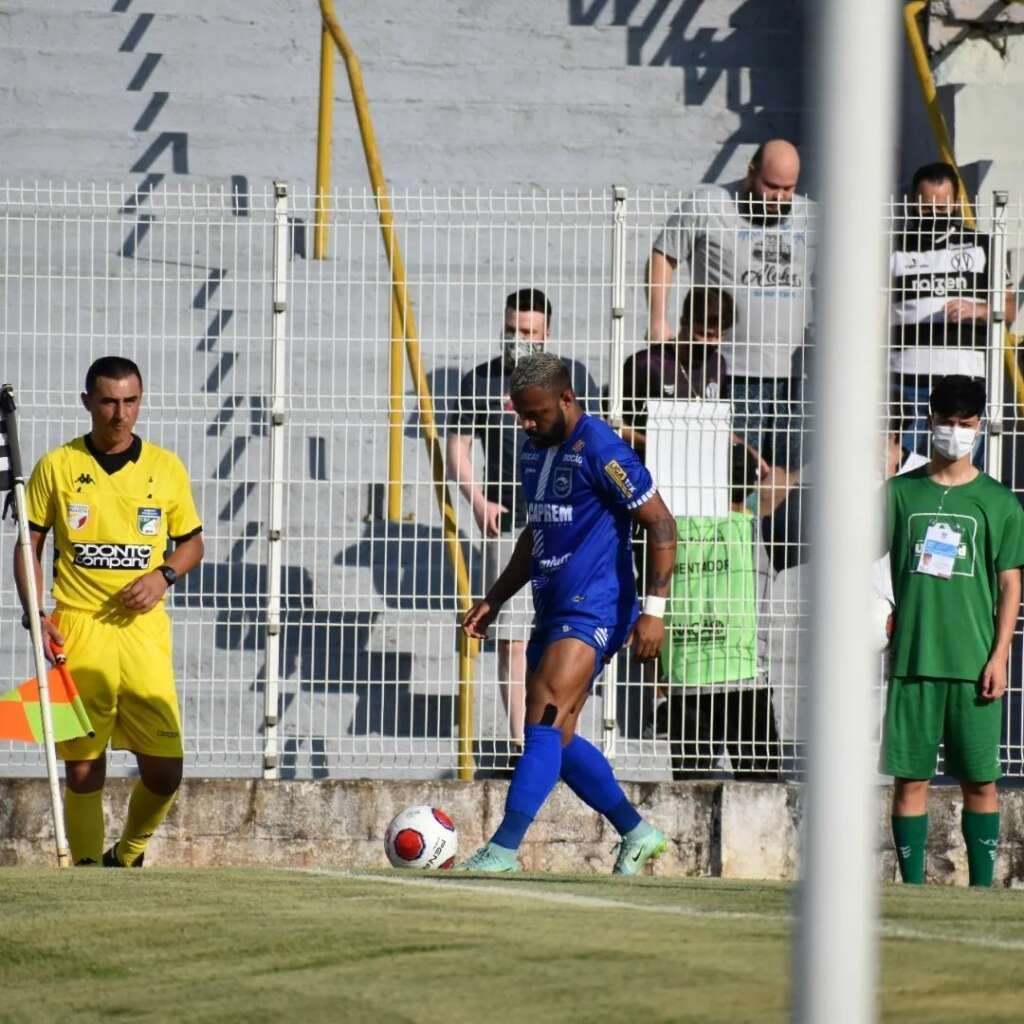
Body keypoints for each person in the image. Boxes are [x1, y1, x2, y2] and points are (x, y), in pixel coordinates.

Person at [456, 352, 678, 873]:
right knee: (561, 736)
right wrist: (494, 597)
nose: (528, 424)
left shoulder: (602, 449)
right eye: (521, 415)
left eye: (536, 414)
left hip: (596, 604)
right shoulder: (533, 450)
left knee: (541, 717)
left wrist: (654, 611)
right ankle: (637, 831)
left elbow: (661, 524)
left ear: (567, 399)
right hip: (551, 602)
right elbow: (537, 532)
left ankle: (504, 850)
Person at [13, 356, 204, 867]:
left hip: (143, 634)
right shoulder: (57, 466)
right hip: (74, 627)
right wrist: (35, 616)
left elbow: (192, 544)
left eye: (130, 401)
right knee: (80, 769)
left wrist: (162, 576)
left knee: (166, 770)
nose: (120, 414)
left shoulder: (165, 468)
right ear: (87, 403)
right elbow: (26, 544)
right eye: (109, 401)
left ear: (140, 402)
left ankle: (129, 853)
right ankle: (87, 870)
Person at [883, 374, 1024, 887]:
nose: (955, 432)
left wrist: (1000, 654)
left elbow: (1010, 584)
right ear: (930, 421)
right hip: (913, 661)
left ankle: (982, 889)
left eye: (965, 424)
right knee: (910, 781)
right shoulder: (899, 494)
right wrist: (876, 607)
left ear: (980, 426)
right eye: (946, 422)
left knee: (981, 783)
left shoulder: (1000, 502)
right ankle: (914, 889)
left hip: (974, 664)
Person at [446, 289, 598, 759]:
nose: (519, 341)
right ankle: (520, 741)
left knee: (569, 634)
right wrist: (477, 499)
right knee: (511, 637)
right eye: (512, 331)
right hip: (511, 517)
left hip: (568, 521)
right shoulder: (483, 379)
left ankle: (562, 735)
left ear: (547, 333)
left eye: (530, 333)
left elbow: (595, 438)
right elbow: (458, 447)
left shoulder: (574, 378)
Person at [645, 139, 816, 472]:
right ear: (751, 171)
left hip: (795, 374)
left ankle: (776, 526)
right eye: (771, 186)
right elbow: (663, 256)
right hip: (729, 370)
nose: (779, 198)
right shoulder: (710, 205)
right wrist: (657, 321)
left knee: (789, 473)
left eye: (788, 189)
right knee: (734, 473)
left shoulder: (811, 216)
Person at [662, 442, 780, 780]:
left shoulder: (669, 530)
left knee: (688, 790)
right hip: (744, 676)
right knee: (761, 790)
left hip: (687, 675)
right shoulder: (761, 531)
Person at [890, 162, 1017, 457]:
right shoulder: (894, 246)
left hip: (964, 382)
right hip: (905, 383)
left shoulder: (981, 245)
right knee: (901, 470)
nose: (935, 217)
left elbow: (1009, 309)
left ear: (957, 203)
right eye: (927, 208)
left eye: (942, 208)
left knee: (957, 469)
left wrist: (977, 309)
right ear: (912, 202)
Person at [621, 286, 735, 459]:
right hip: (648, 464)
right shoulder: (647, 364)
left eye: (721, 335)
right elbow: (615, 425)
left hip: (702, 463)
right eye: (704, 334)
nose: (713, 343)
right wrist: (658, 445)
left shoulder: (718, 364)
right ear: (684, 322)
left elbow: (721, 425)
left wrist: (749, 451)